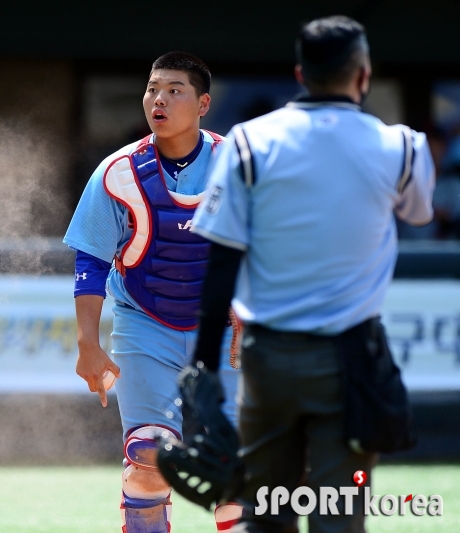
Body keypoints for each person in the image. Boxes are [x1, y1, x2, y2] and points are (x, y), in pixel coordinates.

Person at [180, 16, 434, 533]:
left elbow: (221, 261)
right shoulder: (403, 146)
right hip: (350, 359)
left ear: (301, 72)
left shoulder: (249, 143)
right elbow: (419, 213)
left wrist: (203, 366)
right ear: (363, 76)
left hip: (267, 359)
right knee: (337, 518)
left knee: (266, 516)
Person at [63, 52, 242, 532]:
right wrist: (88, 344)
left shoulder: (238, 165)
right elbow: (91, 261)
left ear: (203, 103)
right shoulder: (117, 171)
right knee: (148, 458)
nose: (159, 99)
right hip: (146, 324)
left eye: (174, 90)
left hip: (225, 330)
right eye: (152, 88)